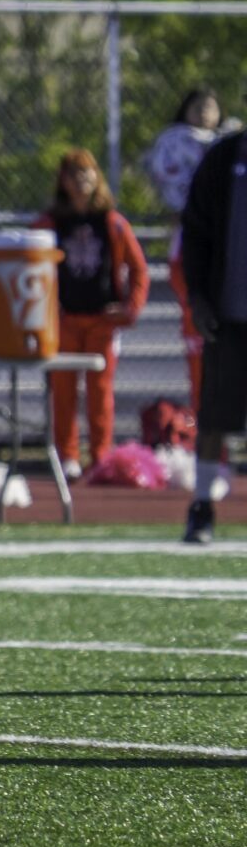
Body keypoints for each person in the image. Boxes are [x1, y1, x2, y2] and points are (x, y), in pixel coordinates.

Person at [31, 149, 147, 479]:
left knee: (100, 393)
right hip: (64, 323)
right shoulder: (49, 223)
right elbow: (30, 262)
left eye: (87, 172)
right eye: (73, 174)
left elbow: (138, 269)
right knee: (63, 392)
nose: (81, 180)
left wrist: (129, 309)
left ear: (97, 178)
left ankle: (101, 458)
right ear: (63, 181)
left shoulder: (113, 222)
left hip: (102, 322)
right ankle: (66, 456)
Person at [178, 101, 247, 544]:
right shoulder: (225, 158)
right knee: (215, 416)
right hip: (231, 312)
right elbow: (196, 231)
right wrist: (199, 297)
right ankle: (202, 506)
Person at [149, 89, 228, 414]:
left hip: (225, 254)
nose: (204, 113)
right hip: (192, 253)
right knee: (200, 346)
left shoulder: (230, 147)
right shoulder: (175, 143)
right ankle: (209, 443)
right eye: (197, 106)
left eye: (210, 106)